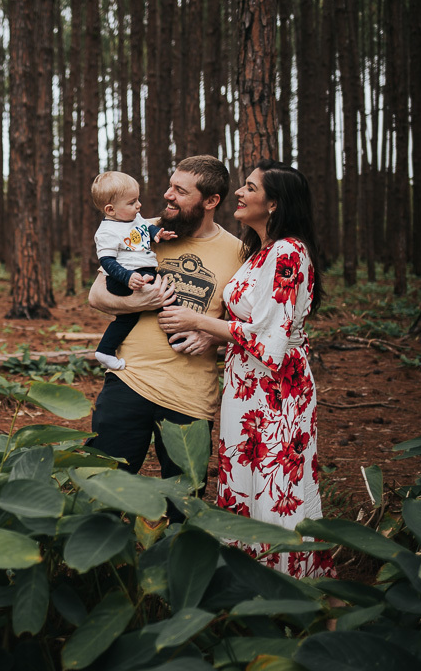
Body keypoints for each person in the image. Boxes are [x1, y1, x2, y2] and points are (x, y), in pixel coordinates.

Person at [159, 158, 333, 578]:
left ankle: (291, 586)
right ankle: (250, 579)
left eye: (251, 188)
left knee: (276, 485)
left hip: (276, 392)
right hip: (245, 386)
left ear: (274, 204)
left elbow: (270, 336)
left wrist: (196, 320)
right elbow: (246, 325)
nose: (240, 192)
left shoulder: (289, 253)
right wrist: (214, 335)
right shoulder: (261, 254)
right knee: (246, 479)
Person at [86, 156, 244, 521]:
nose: (167, 195)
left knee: (183, 510)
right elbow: (97, 296)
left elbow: (249, 328)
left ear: (210, 201)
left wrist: (213, 337)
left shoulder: (238, 253)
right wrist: (142, 299)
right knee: (104, 498)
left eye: (180, 191)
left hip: (189, 399)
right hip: (128, 382)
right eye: (170, 186)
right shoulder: (140, 229)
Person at [89, 171, 176, 372]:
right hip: (123, 277)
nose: (139, 206)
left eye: (138, 200)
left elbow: (147, 228)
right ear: (110, 209)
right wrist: (127, 278)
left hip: (143, 271)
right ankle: (177, 339)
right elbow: (107, 261)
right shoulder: (107, 232)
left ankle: (105, 350)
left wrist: (158, 235)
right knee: (168, 299)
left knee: (130, 316)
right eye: (132, 202)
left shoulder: (134, 219)